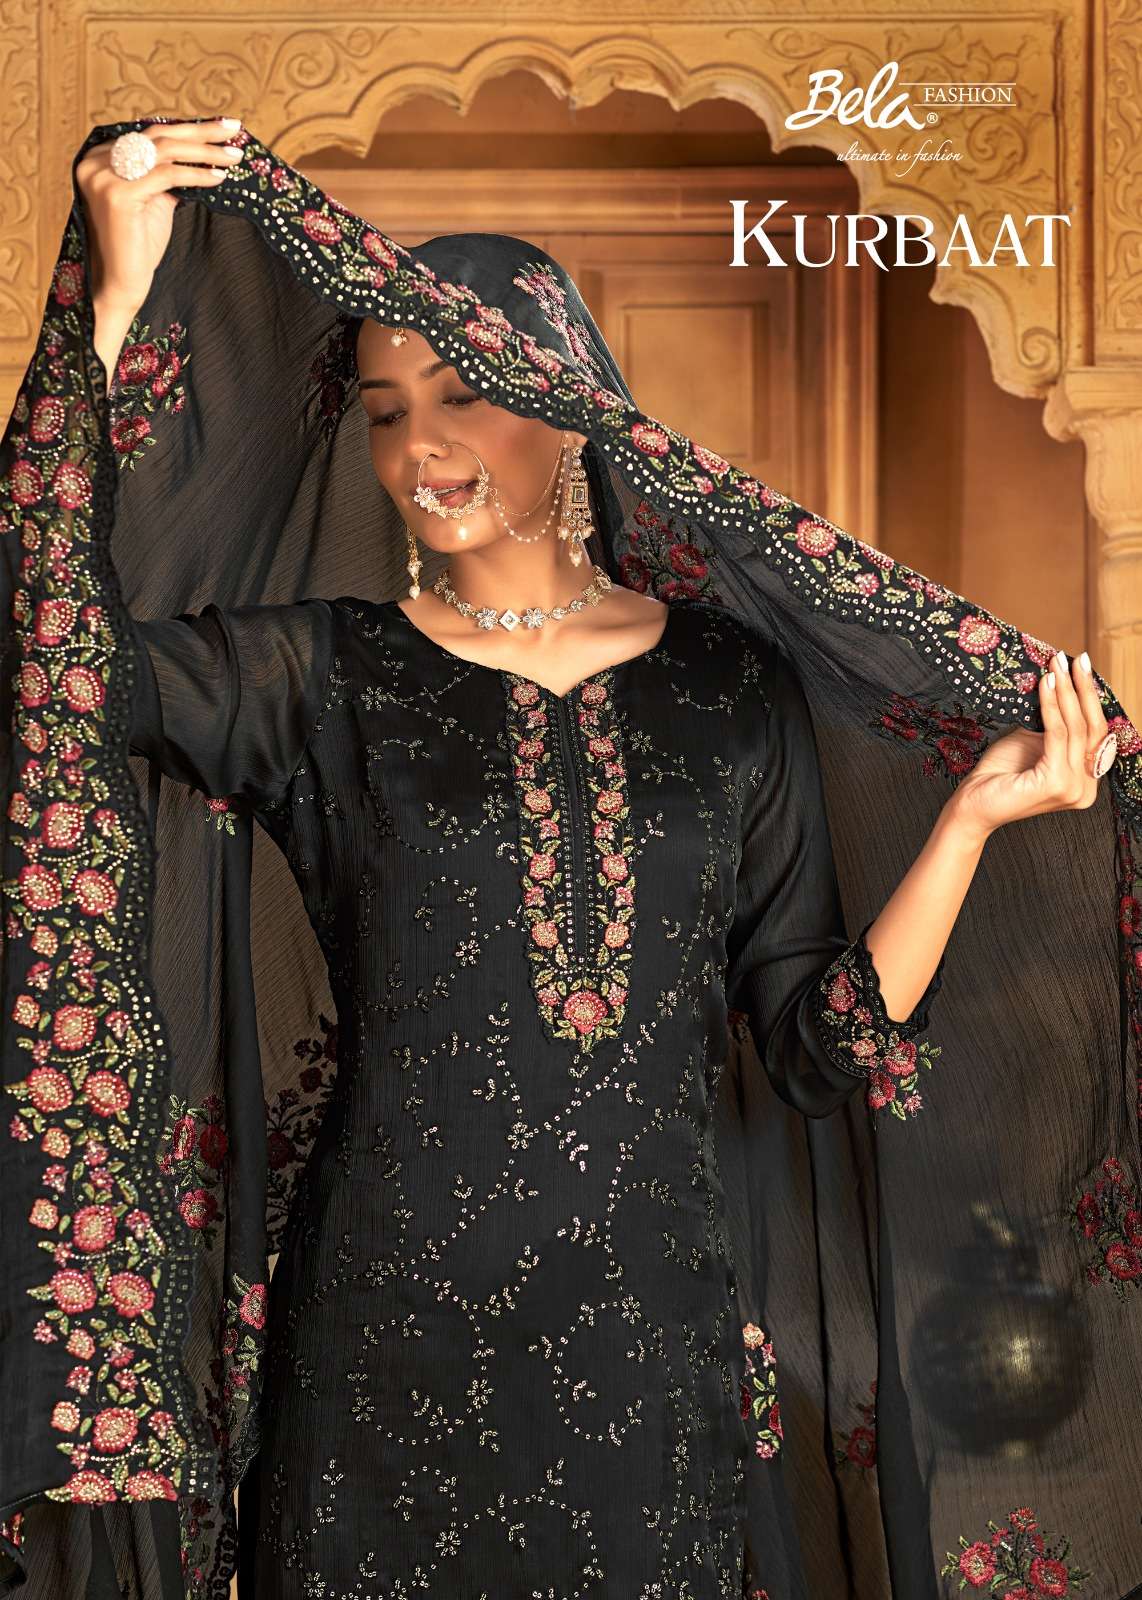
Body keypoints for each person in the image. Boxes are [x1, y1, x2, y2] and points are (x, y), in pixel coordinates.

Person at [0, 114, 1139, 1600]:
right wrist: (110, 307)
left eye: (465, 396)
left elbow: (819, 1047)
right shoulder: (315, 674)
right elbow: (50, 663)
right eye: (385, 411)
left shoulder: (726, 685)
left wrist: (970, 821)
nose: (421, 449)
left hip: (650, 1344)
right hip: (379, 1333)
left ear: (568, 404)